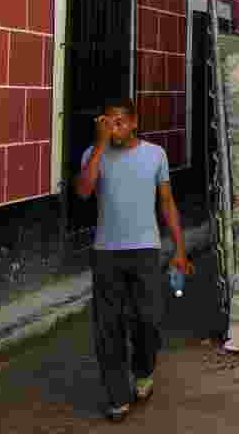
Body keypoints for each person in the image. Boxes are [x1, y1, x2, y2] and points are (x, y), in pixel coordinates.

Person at [76, 97, 192, 422]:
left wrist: (179, 250)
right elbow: (84, 191)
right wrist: (99, 146)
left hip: (145, 251)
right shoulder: (92, 154)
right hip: (106, 253)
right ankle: (116, 396)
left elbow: (167, 202)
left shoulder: (155, 154)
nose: (115, 128)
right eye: (109, 122)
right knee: (108, 327)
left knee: (148, 321)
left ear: (134, 122)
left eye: (120, 121)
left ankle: (143, 371)